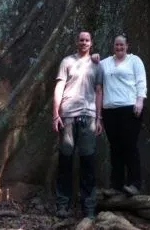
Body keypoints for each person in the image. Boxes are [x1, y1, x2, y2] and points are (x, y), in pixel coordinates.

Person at [52, 30, 103, 220]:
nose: (84, 42)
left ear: (91, 43)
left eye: (87, 40)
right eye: (81, 40)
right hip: (67, 117)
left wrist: (99, 118)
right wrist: (55, 114)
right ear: (77, 42)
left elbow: (99, 92)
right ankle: (62, 205)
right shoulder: (67, 62)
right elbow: (59, 87)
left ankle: (88, 207)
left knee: (88, 163)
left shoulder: (98, 65)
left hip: (89, 116)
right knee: (65, 161)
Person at [100, 34, 147, 196]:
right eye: (116, 45)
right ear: (113, 46)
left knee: (130, 146)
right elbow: (94, 72)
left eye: (122, 45)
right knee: (115, 148)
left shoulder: (134, 61)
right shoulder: (105, 63)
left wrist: (140, 101)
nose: (119, 47)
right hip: (109, 111)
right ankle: (116, 185)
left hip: (130, 109)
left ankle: (134, 184)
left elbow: (141, 81)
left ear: (127, 46)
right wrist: (93, 58)